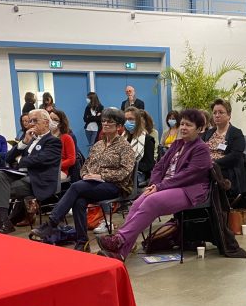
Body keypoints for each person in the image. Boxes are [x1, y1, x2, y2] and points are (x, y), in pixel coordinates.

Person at [97, 109, 212, 261]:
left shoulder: (201, 149)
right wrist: (154, 184)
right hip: (166, 186)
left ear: (199, 129)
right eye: (182, 123)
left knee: (152, 200)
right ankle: (120, 253)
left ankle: (120, 239)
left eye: (189, 125)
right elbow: (159, 166)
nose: (183, 127)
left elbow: (187, 176)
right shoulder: (177, 144)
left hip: (189, 190)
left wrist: (160, 187)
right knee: (138, 202)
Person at [32, 108, 135, 252]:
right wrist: (86, 175)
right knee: (79, 200)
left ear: (119, 126)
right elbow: (85, 166)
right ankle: (82, 242)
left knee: (75, 187)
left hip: (115, 186)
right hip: (92, 184)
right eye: (103, 121)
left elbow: (125, 172)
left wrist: (101, 176)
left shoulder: (125, 147)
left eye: (109, 122)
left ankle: (51, 223)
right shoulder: (98, 145)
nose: (105, 124)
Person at [0, 109, 61, 233]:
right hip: (22, 176)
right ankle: (5, 221)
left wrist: (20, 161)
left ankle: (4, 222)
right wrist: (23, 143)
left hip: (38, 180)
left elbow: (40, 160)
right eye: (30, 121)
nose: (31, 124)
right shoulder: (30, 139)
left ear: (45, 122)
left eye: (35, 120)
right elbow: (7, 158)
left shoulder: (53, 141)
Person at [202, 99, 246, 194]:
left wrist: (213, 164)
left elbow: (235, 156)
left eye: (221, 112)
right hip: (205, 167)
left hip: (224, 170)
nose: (217, 115)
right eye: (214, 113)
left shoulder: (236, 133)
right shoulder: (208, 133)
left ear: (229, 115)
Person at [124, 106, 155, 183]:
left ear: (138, 121)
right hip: (123, 171)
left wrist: (129, 163)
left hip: (138, 174)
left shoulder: (147, 139)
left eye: (131, 119)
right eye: (126, 119)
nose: (128, 122)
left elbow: (148, 166)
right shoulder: (123, 137)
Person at [48, 109, 76, 181]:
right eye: (50, 119)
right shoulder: (45, 137)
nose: (52, 121)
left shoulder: (66, 137)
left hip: (60, 170)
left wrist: (56, 166)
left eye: (55, 120)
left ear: (61, 123)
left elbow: (71, 160)